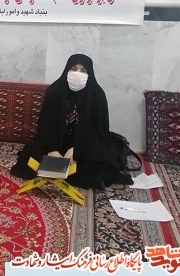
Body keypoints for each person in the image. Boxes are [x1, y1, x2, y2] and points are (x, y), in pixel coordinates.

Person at [10, 54, 133, 190]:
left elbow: (99, 132)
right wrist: (52, 150)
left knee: (101, 163)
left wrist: (78, 151)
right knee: (30, 151)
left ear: (89, 74)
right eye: (74, 69)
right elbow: (45, 125)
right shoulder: (55, 91)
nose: (77, 74)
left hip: (85, 146)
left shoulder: (97, 95)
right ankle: (66, 172)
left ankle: (54, 171)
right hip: (57, 143)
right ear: (67, 70)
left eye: (83, 70)